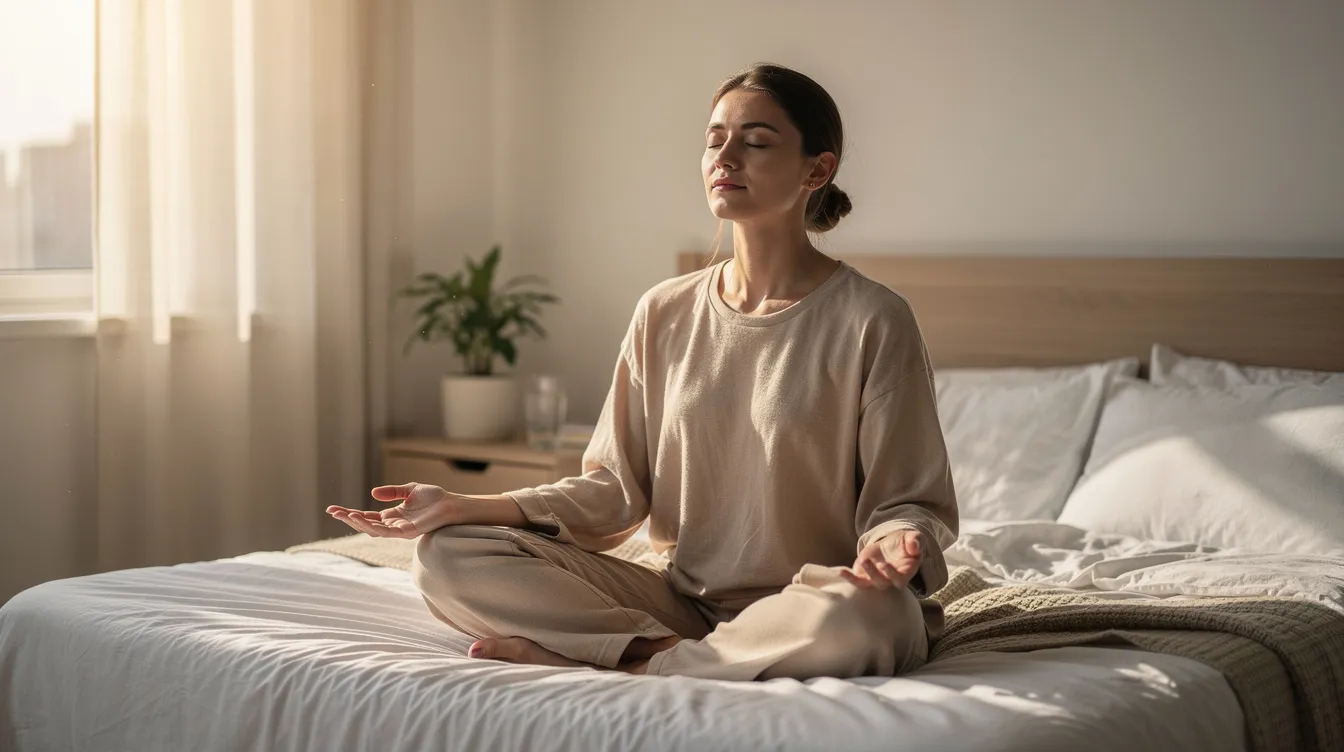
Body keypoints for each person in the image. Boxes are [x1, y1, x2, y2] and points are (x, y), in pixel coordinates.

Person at [327, 63, 958, 681]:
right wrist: (464, 505)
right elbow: (611, 493)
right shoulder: (664, 310)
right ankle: (663, 653)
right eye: (715, 139)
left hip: (815, 601)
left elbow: (908, 501)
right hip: (681, 606)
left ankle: (637, 661)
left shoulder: (873, 318)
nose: (726, 157)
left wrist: (896, 542)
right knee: (448, 556)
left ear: (817, 170)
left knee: (879, 618)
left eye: (756, 141)